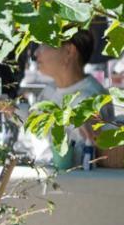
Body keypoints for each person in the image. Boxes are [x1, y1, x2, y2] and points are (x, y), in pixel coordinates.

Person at [21, 29, 109, 170]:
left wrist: (90, 123)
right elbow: (36, 125)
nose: (36, 53)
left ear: (69, 51)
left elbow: (95, 132)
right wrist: (6, 107)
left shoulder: (92, 97)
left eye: (44, 45)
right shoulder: (50, 89)